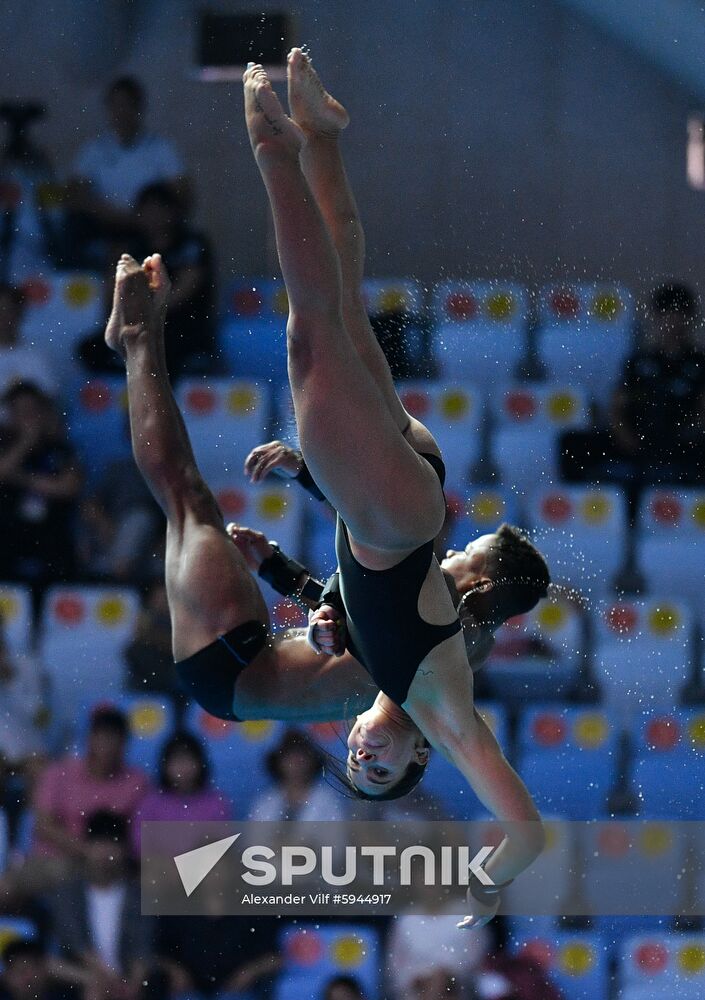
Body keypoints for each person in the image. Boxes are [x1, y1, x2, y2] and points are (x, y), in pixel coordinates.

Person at [241, 50, 548, 923]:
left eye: (352, 762)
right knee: (309, 338)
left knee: (337, 311)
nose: (359, 752)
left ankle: (321, 139)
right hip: (394, 515)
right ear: (418, 757)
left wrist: (301, 502)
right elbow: (525, 834)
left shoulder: (376, 667)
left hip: (391, 500)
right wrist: (484, 889)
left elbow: (344, 594)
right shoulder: (444, 707)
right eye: (380, 768)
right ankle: (272, 147)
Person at [560, 282, 705, 509]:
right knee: (570, 443)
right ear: (656, 318)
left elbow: (701, 413)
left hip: (681, 444)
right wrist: (625, 436)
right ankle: (595, 504)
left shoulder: (699, 362)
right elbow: (617, 407)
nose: (672, 322)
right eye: (666, 314)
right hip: (637, 442)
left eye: (679, 314)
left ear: (690, 319)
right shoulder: (638, 362)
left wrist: (688, 435)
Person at [67, 76, 189, 263]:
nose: (121, 111)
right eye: (116, 105)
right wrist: (113, 216)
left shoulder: (160, 148)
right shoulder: (94, 150)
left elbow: (181, 194)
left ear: (139, 107)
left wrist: (147, 219)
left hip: (148, 233)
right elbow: (76, 194)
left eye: (127, 104)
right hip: (104, 229)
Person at [49, 810, 153, 1000]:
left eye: (112, 844)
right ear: (86, 847)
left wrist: (133, 985)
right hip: (84, 977)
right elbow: (75, 943)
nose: (105, 852)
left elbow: (142, 948)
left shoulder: (138, 895)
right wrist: (107, 979)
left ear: (123, 849)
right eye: (98, 844)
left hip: (126, 978)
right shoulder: (68, 892)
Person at [0, 381, 82, 586]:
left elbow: (69, 487)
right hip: (8, 536)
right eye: (19, 411)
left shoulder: (59, 448)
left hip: (51, 537)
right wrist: (26, 442)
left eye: (31, 410)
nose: (26, 416)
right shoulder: (4, 444)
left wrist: (20, 479)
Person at [131, 731, 232, 854]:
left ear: (201, 764)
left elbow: (222, 843)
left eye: (189, 760)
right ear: (165, 765)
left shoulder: (216, 802)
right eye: (177, 761)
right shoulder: (151, 803)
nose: (184, 768)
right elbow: (139, 844)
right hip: (160, 868)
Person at [248, 727, 348, 821]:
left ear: (312, 762)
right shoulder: (266, 802)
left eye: (301, 759)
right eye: (289, 758)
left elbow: (337, 837)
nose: (295, 764)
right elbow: (255, 837)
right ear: (279, 763)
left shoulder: (326, 801)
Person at [0, 283, 56, 397]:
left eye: (7, 309)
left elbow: (48, 403)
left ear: (19, 313)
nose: (2, 315)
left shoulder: (36, 357)